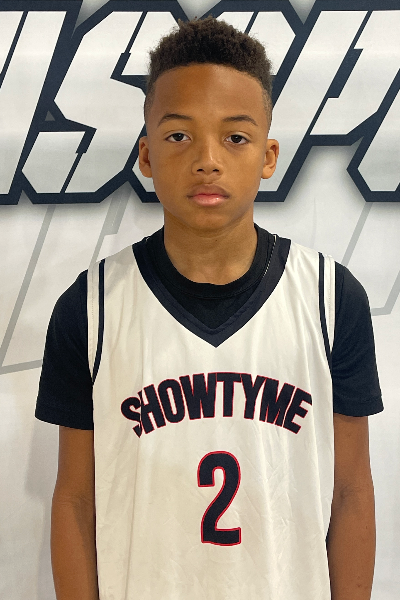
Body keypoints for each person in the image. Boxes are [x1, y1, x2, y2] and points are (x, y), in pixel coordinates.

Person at [35, 15, 383, 600]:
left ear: (268, 156)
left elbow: (351, 492)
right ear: (146, 155)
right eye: (178, 136)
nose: (207, 159)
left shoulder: (331, 298)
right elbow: (74, 499)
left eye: (235, 137)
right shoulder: (90, 307)